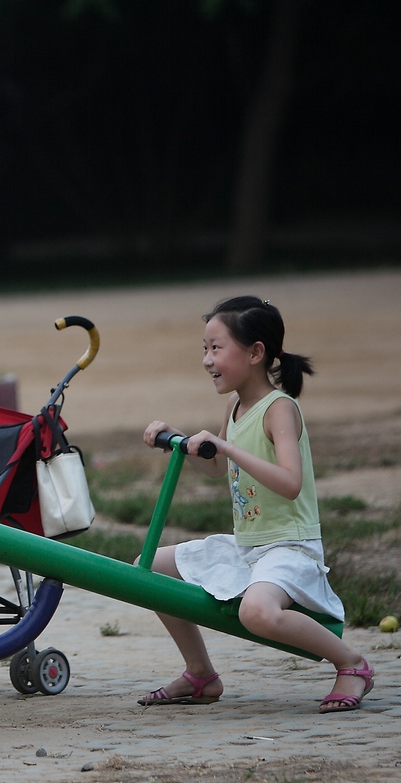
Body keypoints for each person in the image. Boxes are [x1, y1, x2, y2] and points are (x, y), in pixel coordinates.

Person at [138, 296, 372, 714]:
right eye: (204, 349)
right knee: (149, 566)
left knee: (257, 614)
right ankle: (201, 673)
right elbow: (218, 469)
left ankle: (351, 663)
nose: (207, 360)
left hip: (289, 548)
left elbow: (289, 483)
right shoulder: (235, 405)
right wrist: (181, 442)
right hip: (248, 546)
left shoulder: (279, 409)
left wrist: (224, 445)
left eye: (216, 348)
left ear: (255, 352)